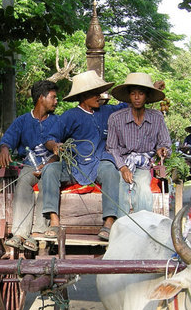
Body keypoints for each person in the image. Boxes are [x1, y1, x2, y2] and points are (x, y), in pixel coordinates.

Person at [42, 70, 128, 240]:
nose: (99, 96)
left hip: (98, 164)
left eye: (99, 92)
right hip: (74, 166)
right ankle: (54, 222)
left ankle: (109, 222)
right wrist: (55, 146)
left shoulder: (107, 111)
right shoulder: (70, 116)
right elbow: (49, 138)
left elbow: (129, 105)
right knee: (50, 170)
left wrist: (150, 90)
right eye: (94, 93)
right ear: (83, 96)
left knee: (111, 170)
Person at [0, 80, 60, 251]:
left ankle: (39, 233)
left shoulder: (58, 121)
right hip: (30, 165)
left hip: (52, 166)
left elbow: (61, 149)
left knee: (45, 183)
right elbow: (7, 140)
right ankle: (19, 234)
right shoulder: (22, 121)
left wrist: (47, 165)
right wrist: (4, 149)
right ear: (41, 98)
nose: (56, 101)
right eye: (53, 97)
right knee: (24, 180)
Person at [106, 72, 171, 214]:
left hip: (144, 164)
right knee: (121, 187)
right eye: (133, 94)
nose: (136, 97)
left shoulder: (157, 117)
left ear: (147, 96)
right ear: (129, 96)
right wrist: (123, 168)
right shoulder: (116, 118)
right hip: (122, 162)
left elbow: (165, 143)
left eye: (141, 93)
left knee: (142, 186)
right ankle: (122, 226)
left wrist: (162, 149)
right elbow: (111, 147)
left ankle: (143, 225)